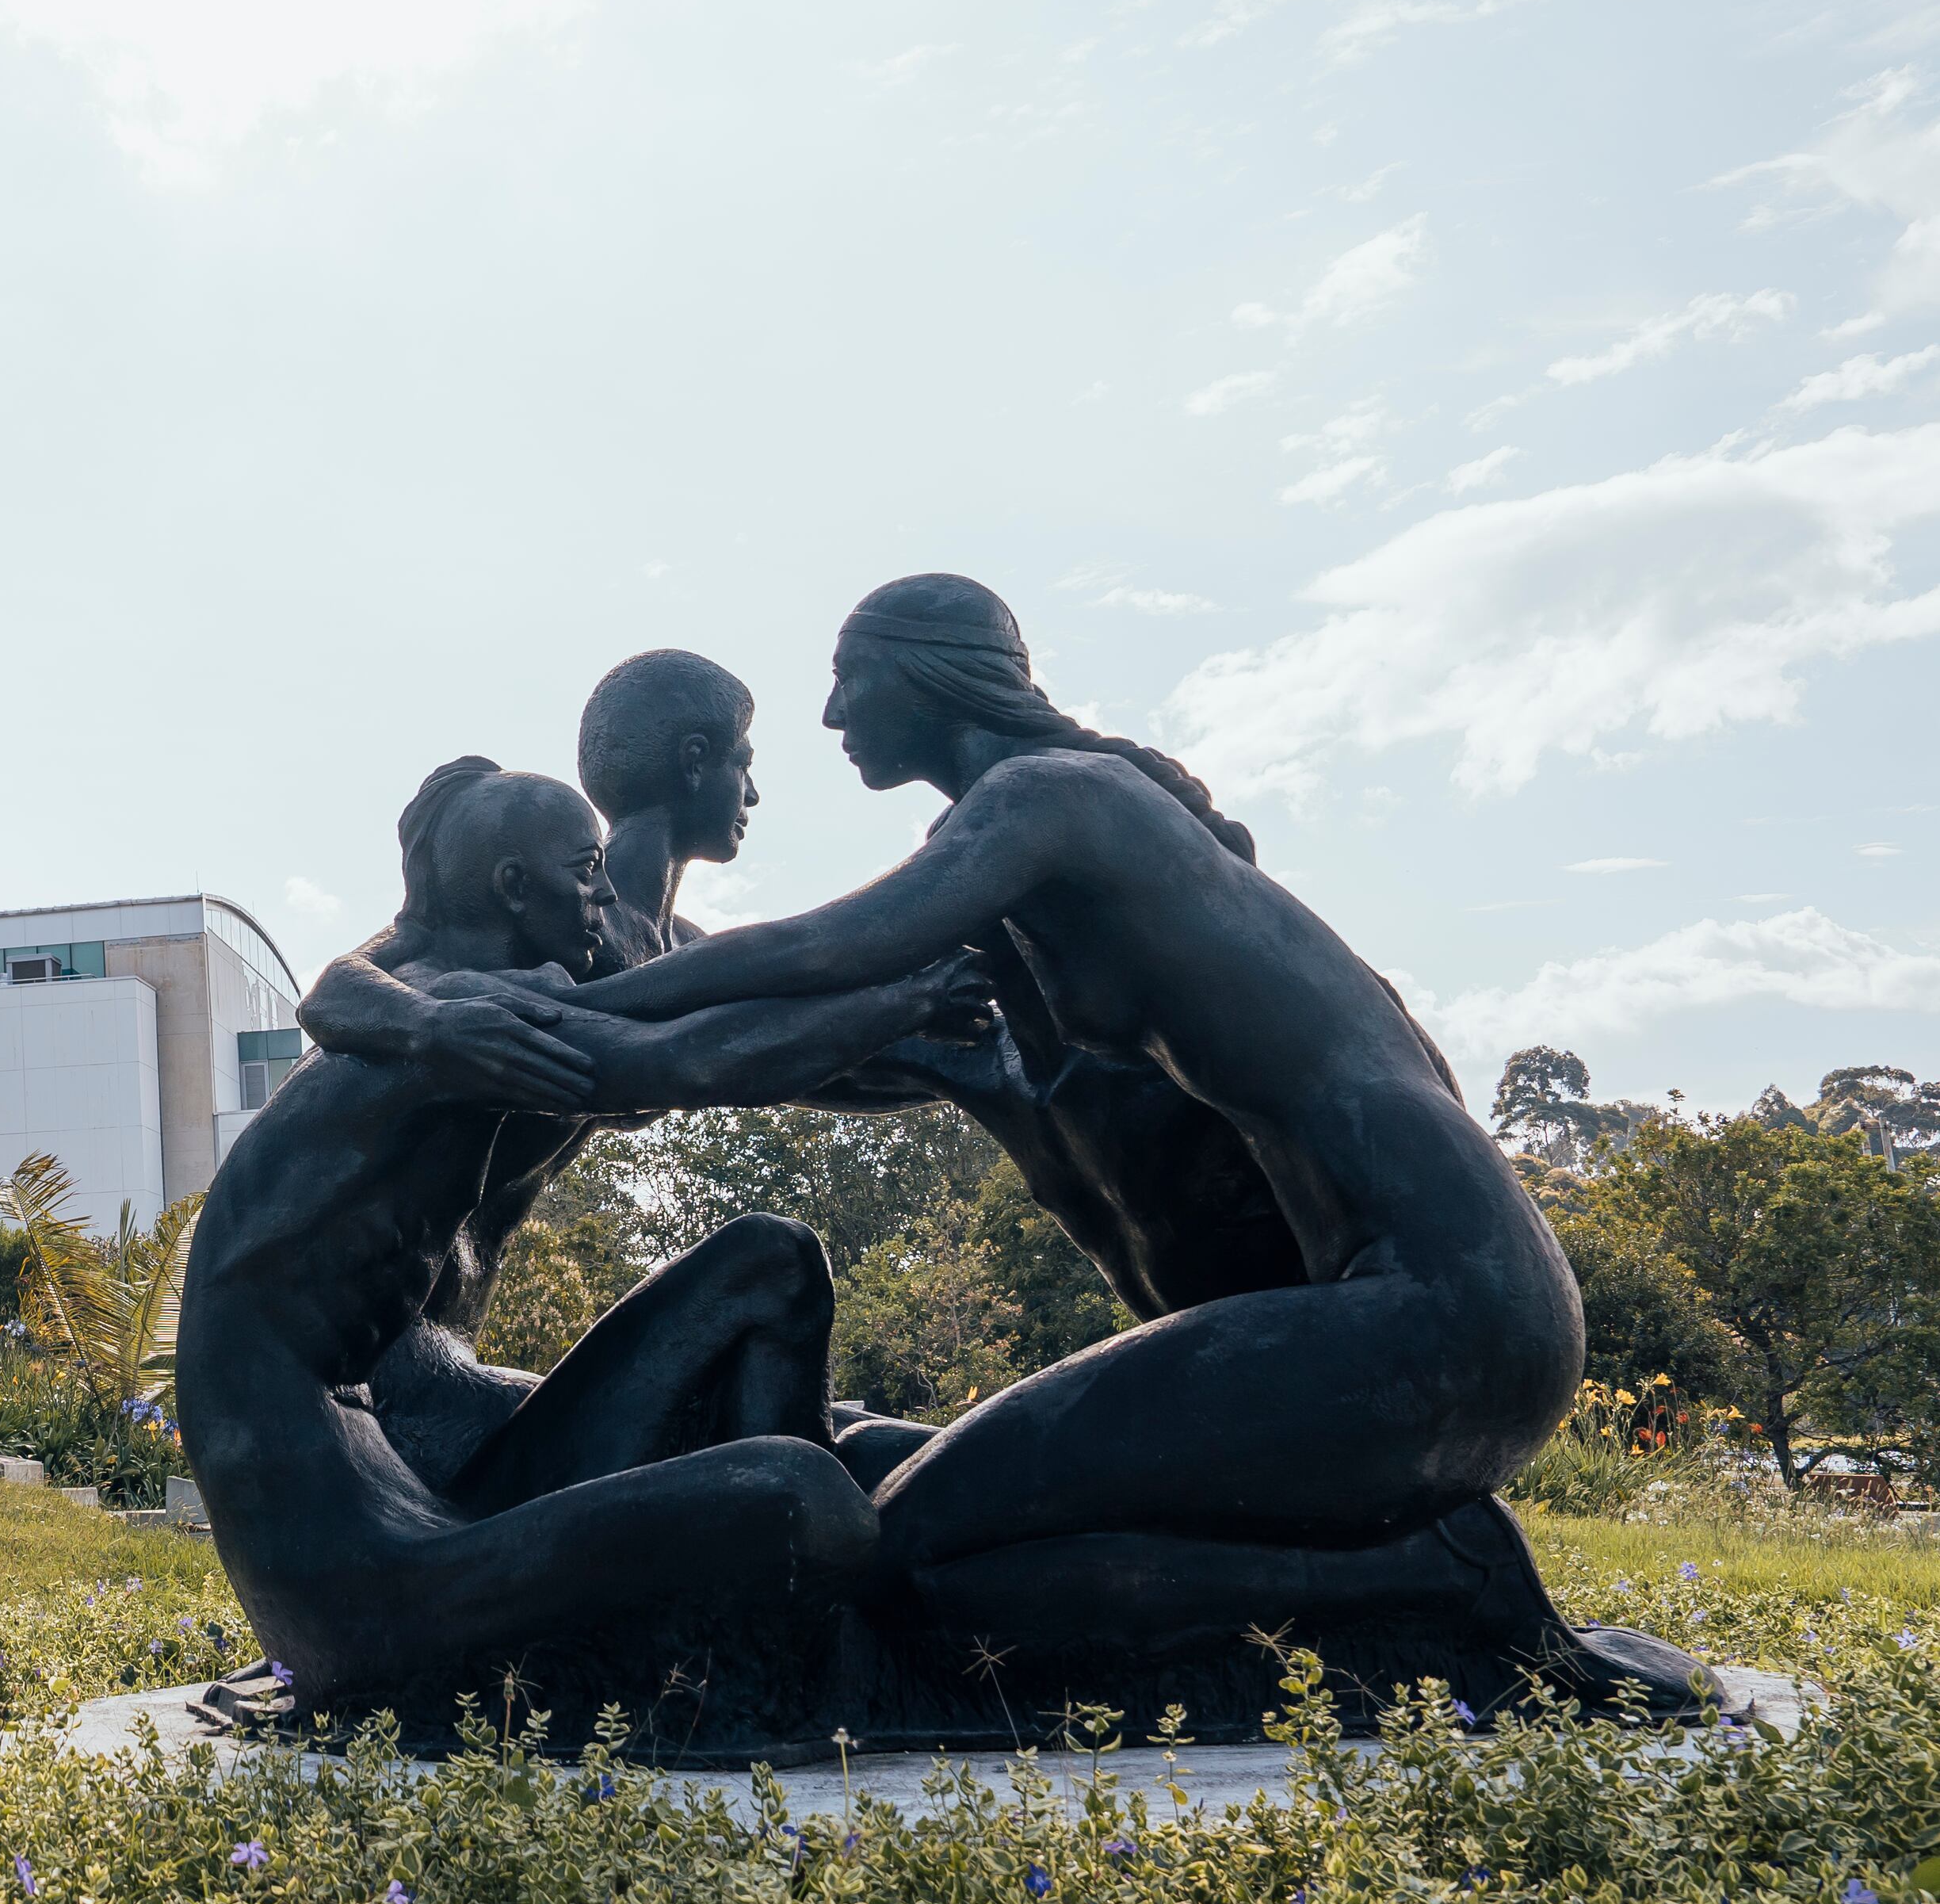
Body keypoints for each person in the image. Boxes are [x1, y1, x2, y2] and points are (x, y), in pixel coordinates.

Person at [486, 575, 1691, 1694]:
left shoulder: (1050, 802)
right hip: (1407, 1312)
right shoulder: (1043, 866)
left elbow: (830, 946)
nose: (831, 710)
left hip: (1440, 1313)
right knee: (919, 1523)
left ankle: (1432, 1577)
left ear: (934, 675)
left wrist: (569, 1008)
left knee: (891, 1555)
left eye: (854, 673)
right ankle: (1398, 1566)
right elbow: (811, 1013)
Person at [173, 755, 991, 1711]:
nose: (601, 895)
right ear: (514, 891)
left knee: (775, 1278)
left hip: (414, 1502)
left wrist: (931, 1032)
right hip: (362, 1591)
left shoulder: (444, 1002)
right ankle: (793, 1661)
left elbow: (674, 1010)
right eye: (582, 869)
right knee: (800, 1492)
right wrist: (911, 1000)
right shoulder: (462, 1026)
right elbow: (676, 1057)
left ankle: (807, 1638)